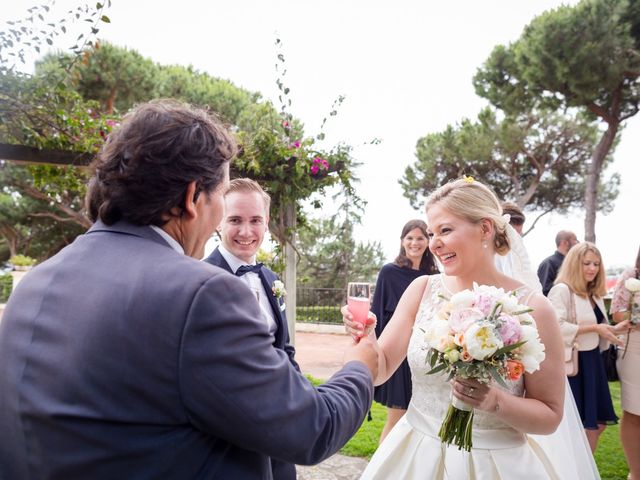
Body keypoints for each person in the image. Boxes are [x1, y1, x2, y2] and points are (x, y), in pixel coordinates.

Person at [0, 99, 379, 479]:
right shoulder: (201, 295)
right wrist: (358, 367)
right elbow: (311, 428)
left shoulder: (35, 283)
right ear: (193, 196)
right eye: (222, 195)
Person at [345, 177, 596, 479]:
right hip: (416, 455)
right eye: (431, 232)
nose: (434, 243)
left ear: (486, 229)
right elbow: (382, 367)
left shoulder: (533, 308)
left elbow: (550, 416)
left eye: (445, 230)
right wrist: (367, 333)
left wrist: (495, 402)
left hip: (496, 464)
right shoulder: (421, 289)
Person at [204, 177, 298, 479]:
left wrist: (299, 397)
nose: (246, 231)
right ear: (218, 221)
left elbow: (284, 348)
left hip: (279, 431)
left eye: (255, 220)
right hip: (225, 436)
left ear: (267, 223)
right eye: (235, 220)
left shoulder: (272, 280)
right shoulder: (198, 279)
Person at [548, 242, 627, 454]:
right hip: (575, 366)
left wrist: (614, 329)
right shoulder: (562, 290)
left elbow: (597, 329)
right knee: (576, 428)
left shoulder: (593, 293)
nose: (592, 268)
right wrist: (596, 327)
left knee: (597, 425)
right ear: (575, 264)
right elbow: (555, 327)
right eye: (587, 263)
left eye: (596, 264)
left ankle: (585, 471)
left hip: (593, 362)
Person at [371, 219, 438, 443]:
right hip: (399, 354)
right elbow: (377, 312)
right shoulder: (389, 272)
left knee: (421, 419)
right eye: (409, 238)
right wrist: (375, 352)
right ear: (402, 241)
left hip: (425, 351)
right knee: (397, 418)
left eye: (420, 238)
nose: (415, 243)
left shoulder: (435, 275)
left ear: (428, 241)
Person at [610, 245, 640, 480]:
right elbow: (617, 313)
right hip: (635, 350)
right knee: (634, 411)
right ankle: (636, 473)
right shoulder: (631, 275)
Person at [537, 230, 579, 296]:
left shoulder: (575, 264)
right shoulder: (548, 263)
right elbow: (545, 290)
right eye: (575, 240)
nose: (578, 243)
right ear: (564, 243)